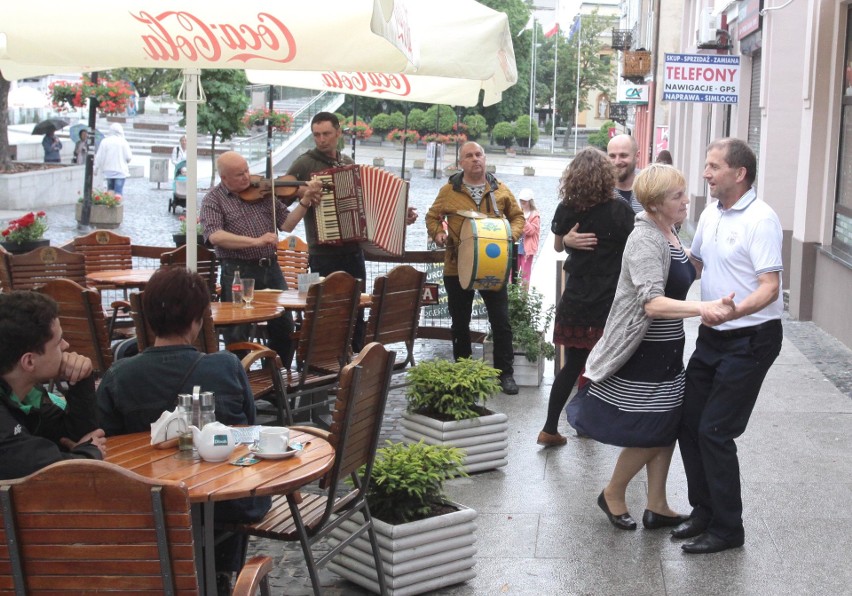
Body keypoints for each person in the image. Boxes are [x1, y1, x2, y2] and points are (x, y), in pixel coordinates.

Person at [566, 164, 735, 532]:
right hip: (641, 352)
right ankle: (612, 492)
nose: (686, 200)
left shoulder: (670, 233)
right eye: (677, 196)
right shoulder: (644, 238)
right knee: (651, 429)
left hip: (668, 352)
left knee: (667, 425)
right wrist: (703, 308)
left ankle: (657, 505)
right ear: (656, 203)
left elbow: (690, 268)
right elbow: (652, 304)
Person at [96, 267, 272, 593]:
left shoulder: (119, 376)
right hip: (227, 504)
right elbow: (249, 432)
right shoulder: (226, 366)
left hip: (150, 507)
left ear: (148, 318)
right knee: (231, 474)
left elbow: (105, 451)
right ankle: (222, 572)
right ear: (197, 319)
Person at [672, 138, 784, 554]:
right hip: (712, 337)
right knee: (688, 422)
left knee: (715, 431)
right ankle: (703, 511)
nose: (706, 173)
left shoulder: (761, 219)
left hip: (750, 340)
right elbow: (695, 265)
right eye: (707, 165)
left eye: (714, 166)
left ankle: (728, 529)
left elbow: (770, 288)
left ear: (739, 173)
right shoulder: (710, 213)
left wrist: (731, 313)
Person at [286, 112, 417, 351]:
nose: (321, 139)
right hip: (321, 252)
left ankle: (356, 360)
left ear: (338, 132)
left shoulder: (347, 163)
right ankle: (322, 363)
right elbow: (281, 195)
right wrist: (301, 191)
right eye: (316, 135)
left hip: (353, 252)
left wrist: (400, 216)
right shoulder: (305, 163)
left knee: (357, 308)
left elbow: (368, 204)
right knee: (325, 310)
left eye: (326, 134)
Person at [537, 148, 635, 447]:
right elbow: (636, 247)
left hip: (577, 297)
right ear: (606, 176)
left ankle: (550, 428)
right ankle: (602, 423)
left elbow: (556, 246)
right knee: (613, 364)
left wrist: (567, 240)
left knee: (573, 365)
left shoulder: (568, 207)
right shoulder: (620, 211)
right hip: (609, 299)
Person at [201, 151, 322, 364]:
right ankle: (240, 380)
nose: (247, 177)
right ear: (224, 178)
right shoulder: (213, 200)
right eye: (239, 174)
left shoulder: (263, 193)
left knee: (284, 324)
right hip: (238, 271)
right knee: (238, 329)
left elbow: (287, 224)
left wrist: (304, 200)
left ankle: (276, 374)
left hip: (270, 268)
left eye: (247, 170)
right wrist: (256, 241)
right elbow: (215, 236)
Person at [425, 141, 525, 395]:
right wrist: (438, 235)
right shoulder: (449, 190)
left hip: (493, 266)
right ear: (461, 162)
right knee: (460, 323)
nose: (475, 159)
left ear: (485, 157)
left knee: (501, 322)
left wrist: (509, 237)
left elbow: (518, 216)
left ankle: (506, 374)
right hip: (457, 267)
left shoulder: (499, 189)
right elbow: (431, 216)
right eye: (469, 156)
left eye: (478, 154)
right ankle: (464, 372)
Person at [0, 291, 106, 480]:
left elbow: (74, 436)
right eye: (58, 342)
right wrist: (88, 453)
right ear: (29, 362)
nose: (66, 345)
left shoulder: (27, 392)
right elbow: (39, 466)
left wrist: (80, 380)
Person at [562, 134, 642, 252]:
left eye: (623, 155)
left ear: (637, 156)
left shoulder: (652, 187)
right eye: (612, 156)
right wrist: (566, 241)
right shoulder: (594, 190)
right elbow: (566, 237)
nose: (617, 161)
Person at [94, 122, 132, 196]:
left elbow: (99, 156)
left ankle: (110, 205)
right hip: (120, 171)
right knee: (118, 193)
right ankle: (117, 205)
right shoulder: (123, 142)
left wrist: (96, 168)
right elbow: (129, 157)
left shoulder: (105, 141)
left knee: (110, 192)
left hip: (108, 172)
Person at [515, 188, 541, 286]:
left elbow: (531, 231)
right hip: (516, 246)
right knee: (513, 273)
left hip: (527, 250)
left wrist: (523, 220)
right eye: (521, 201)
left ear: (530, 202)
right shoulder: (518, 211)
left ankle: (523, 298)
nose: (522, 203)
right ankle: (512, 295)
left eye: (524, 202)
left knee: (525, 275)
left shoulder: (535, 215)